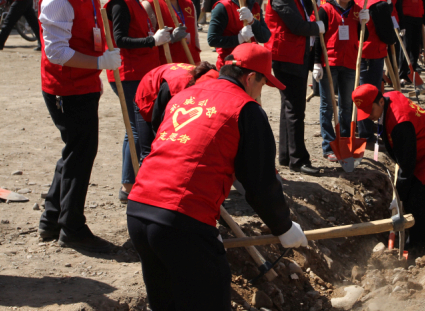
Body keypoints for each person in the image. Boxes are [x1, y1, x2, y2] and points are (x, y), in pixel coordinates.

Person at [127, 43, 308, 309]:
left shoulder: (185, 95)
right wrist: (284, 227)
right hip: (180, 218)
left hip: (139, 210)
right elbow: (259, 183)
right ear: (250, 78)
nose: (260, 92)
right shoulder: (246, 109)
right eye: (262, 84)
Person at [37, 0, 128, 252]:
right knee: (80, 154)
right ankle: (72, 227)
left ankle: (51, 218)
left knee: (75, 151)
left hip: (83, 85)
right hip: (67, 88)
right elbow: (57, 53)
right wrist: (100, 62)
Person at [352, 84, 425, 254]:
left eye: (370, 110)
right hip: (420, 147)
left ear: (381, 102)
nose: (368, 116)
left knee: (417, 200)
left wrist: (399, 197)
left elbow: (407, 166)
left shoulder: (400, 122)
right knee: (412, 196)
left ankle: (421, 244)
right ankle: (419, 237)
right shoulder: (389, 100)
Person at [104, 0, 172, 202]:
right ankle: (128, 186)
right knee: (135, 129)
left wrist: (157, 36)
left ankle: (129, 182)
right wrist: (151, 41)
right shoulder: (120, 1)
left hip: (141, 71)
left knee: (133, 129)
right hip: (128, 73)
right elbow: (119, 39)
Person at [264, 0, 323, 175]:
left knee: (289, 107)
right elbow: (296, 25)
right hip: (287, 56)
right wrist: (317, 27)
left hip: (296, 54)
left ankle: (287, 155)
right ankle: (298, 159)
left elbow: (303, 14)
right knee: (295, 109)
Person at [313, 0, 368, 161]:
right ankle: (329, 145)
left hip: (350, 63)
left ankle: (345, 141)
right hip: (329, 63)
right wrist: (316, 62)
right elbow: (318, 39)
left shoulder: (358, 11)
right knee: (328, 105)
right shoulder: (325, 10)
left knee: (347, 105)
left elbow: (364, 37)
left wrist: (365, 23)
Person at [356, 0, 397, 141]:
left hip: (360, 50)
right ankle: (365, 133)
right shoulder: (379, 3)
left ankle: (363, 127)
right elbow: (387, 34)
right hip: (372, 52)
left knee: (361, 91)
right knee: (369, 94)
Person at [207, 0, 271, 70]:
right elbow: (212, 40)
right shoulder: (223, 7)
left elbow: (265, 37)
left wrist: (253, 22)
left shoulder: (254, 6)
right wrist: (238, 38)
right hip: (230, 66)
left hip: (251, 63)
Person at [135, 61, 218, 140]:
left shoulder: (215, 82)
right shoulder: (175, 87)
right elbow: (157, 119)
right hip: (149, 95)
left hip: (174, 84)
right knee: (148, 144)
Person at [143, 0, 201, 65]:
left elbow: (195, 37)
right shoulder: (150, 5)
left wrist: (197, 62)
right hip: (165, 67)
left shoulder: (189, 3)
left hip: (189, 64)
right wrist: (170, 39)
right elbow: (144, 43)